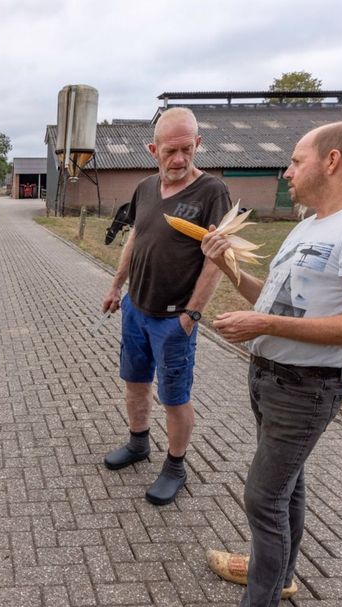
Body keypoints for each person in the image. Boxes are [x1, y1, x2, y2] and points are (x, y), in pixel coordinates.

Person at [200, 121, 342, 607]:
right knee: (285, 487)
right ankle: (279, 576)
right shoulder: (311, 223)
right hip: (270, 376)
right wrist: (228, 267)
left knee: (262, 496)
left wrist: (267, 326)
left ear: (332, 160)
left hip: (308, 384)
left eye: (296, 161)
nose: (287, 172)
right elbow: (273, 300)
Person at [100, 107, 230, 506]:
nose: (178, 160)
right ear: (153, 149)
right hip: (136, 309)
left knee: (174, 395)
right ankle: (138, 443)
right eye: (170, 152)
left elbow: (217, 259)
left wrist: (192, 314)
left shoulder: (212, 192)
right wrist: (116, 285)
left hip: (175, 319)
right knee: (135, 382)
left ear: (198, 144)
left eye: (186, 150)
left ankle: (175, 465)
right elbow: (135, 238)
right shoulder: (144, 188)